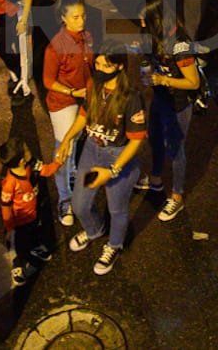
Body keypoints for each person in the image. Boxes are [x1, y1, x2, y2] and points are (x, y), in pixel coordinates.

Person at [56, 44, 147, 276]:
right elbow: (84, 116)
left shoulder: (131, 98)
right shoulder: (94, 86)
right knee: (79, 204)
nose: (99, 69)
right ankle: (95, 229)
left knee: (117, 208)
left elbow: (136, 141)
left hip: (117, 156)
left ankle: (114, 246)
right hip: (91, 150)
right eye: (97, 64)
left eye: (106, 65)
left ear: (119, 66)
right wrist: (67, 140)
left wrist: (113, 171)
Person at [138, 0, 201, 222]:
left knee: (175, 149)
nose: (141, 23)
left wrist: (162, 79)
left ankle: (177, 195)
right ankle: (155, 180)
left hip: (178, 103)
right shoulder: (154, 36)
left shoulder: (180, 46)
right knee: (155, 139)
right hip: (160, 98)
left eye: (145, 19)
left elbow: (193, 83)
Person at [42, 0, 93, 226]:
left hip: (84, 97)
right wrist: (73, 93)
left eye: (83, 16)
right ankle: (64, 199)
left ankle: (75, 179)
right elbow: (48, 81)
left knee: (79, 142)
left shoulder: (87, 37)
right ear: (64, 18)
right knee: (65, 147)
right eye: (75, 17)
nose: (81, 21)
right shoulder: (56, 47)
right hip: (64, 102)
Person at [0, 136, 61, 286]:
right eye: (26, 150)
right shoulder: (10, 183)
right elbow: (5, 206)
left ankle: (36, 249)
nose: (30, 150)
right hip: (19, 222)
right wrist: (9, 227)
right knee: (18, 245)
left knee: (35, 232)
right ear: (21, 161)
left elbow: (45, 170)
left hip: (33, 212)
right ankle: (17, 266)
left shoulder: (31, 164)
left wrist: (58, 162)